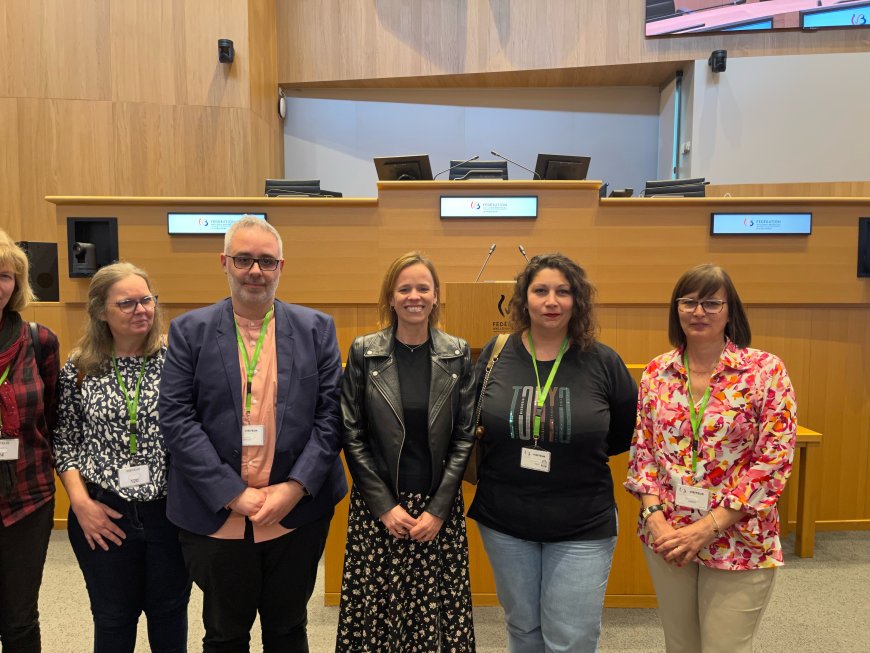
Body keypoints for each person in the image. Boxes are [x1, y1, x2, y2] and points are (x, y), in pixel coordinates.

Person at [158, 215, 347, 652]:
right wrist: (231, 493)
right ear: (224, 262)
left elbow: (331, 416)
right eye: (243, 260)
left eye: (266, 261)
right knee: (225, 633)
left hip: (296, 515)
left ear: (281, 267)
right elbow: (176, 418)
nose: (255, 271)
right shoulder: (190, 331)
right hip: (216, 516)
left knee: (287, 628)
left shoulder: (316, 329)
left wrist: (295, 488)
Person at [468, 252, 637, 653]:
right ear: (523, 299)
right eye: (540, 290)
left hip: (581, 522)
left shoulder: (603, 361)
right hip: (504, 520)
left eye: (563, 292)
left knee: (571, 639)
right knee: (523, 629)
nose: (551, 301)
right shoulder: (496, 352)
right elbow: (471, 421)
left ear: (577, 300)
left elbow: (623, 434)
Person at [625, 263, 796, 653]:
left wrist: (708, 527)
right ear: (676, 309)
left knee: (724, 647)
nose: (698, 312)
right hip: (668, 535)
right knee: (680, 645)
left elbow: (773, 462)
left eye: (711, 303)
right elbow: (644, 451)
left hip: (737, 536)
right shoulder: (657, 372)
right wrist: (655, 520)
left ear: (730, 311)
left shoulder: (764, 371)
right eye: (688, 302)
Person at [336, 252, 476, 652]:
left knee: (437, 618)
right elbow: (351, 432)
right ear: (391, 297)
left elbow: (464, 435)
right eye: (405, 288)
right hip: (379, 509)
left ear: (435, 297)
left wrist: (438, 509)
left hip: (437, 509)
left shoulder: (457, 353)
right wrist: (383, 505)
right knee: (375, 618)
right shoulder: (365, 351)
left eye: (423, 288)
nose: (414, 296)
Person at [53, 262, 191, 652]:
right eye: (126, 303)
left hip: (170, 512)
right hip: (103, 512)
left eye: (147, 300)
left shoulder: (178, 360)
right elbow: (65, 440)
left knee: (169, 613)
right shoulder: (80, 367)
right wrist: (80, 505)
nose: (141, 310)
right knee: (113, 618)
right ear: (100, 311)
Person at [0, 229, 60, 652]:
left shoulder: (40, 341)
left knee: (21, 618)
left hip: (28, 497)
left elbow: (53, 419)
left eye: (3, 275)